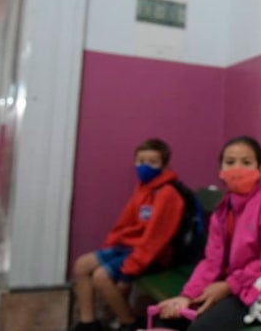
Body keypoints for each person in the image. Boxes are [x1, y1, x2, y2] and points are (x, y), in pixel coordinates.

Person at [154, 136, 261, 331]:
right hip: (229, 286)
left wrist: (230, 285)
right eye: (230, 162)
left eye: (246, 162)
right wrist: (187, 296)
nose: (237, 169)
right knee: (167, 319)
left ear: (260, 170)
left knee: (201, 328)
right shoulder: (222, 211)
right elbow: (212, 261)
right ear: (221, 170)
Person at [71, 138, 185, 331]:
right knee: (82, 265)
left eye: (152, 162)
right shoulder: (143, 188)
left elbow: (154, 242)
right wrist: (110, 247)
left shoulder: (167, 194)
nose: (144, 167)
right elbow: (124, 224)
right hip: (130, 248)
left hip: (154, 256)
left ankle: (129, 322)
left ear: (165, 165)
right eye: (140, 161)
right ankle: (88, 323)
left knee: (101, 276)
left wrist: (128, 272)